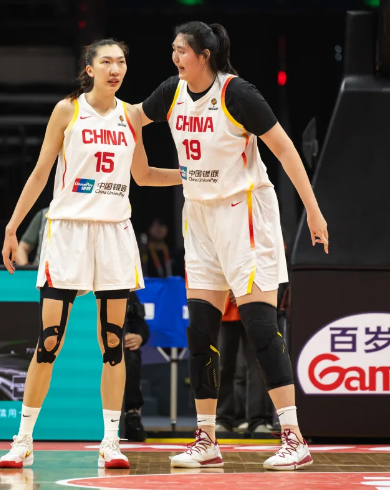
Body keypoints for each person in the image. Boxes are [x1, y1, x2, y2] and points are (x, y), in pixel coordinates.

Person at [135, 22, 329, 470]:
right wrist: (140, 169)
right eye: (172, 49)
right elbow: (130, 120)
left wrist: (313, 211)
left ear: (204, 55)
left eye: (181, 50)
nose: (174, 57)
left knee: (260, 328)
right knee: (201, 332)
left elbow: (286, 151)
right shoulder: (171, 92)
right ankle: (206, 439)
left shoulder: (237, 94)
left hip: (245, 214)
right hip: (199, 217)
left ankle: (294, 437)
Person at [0, 39, 182, 470]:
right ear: (90, 68)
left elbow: (144, 175)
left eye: (121, 62)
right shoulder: (68, 110)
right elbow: (41, 172)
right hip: (68, 231)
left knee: (114, 342)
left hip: (114, 233)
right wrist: (12, 226)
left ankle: (111, 442)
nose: (115, 69)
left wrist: (193, 174)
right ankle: (23, 440)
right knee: (49, 340)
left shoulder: (131, 115)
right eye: (107, 62)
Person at [216, 292, 274, 434]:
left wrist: (243, 292)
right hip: (225, 309)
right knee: (223, 367)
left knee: (257, 366)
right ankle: (222, 419)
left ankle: (258, 420)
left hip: (254, 308)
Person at [122, 291, 150, 441]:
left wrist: (139, 336)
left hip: (116, 344)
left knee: (131, 353)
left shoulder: (126, 288)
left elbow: (140, 323)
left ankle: (132, 414)